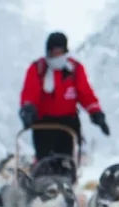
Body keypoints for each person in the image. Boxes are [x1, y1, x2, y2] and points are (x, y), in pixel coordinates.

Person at [19, 32, 109, 161]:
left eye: (60, 52)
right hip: (44, 123)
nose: (57, 56)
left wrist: (96, 113)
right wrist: (27, 109)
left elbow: (85, 94)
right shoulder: (38, 69)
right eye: (54, 52)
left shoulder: (75, 69)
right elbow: (30, 91)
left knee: (66, 161)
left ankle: (67, 178)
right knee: (44, 160)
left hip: (68, 124)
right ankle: (42, 178)